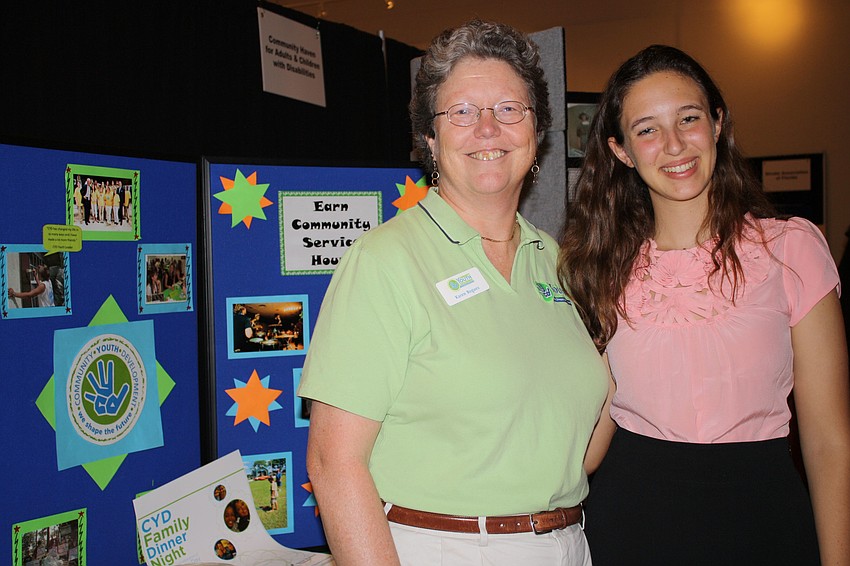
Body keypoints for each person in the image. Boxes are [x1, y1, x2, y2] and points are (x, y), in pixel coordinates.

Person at [298, 19, 608, 566]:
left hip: (567, 544)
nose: (488, 128)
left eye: (509, 109)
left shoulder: (558, 264)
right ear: (429, 139)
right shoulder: (385, 263)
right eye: (462, 112)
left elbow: (574, 452)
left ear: (537, 133)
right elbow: (332, 463)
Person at [558, 44, 850, 565]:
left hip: (764, 520)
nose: (673, 145)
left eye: (688, 118)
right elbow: (593, 427)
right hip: (630, 521)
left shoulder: (791, 250)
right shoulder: (598, 268)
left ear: (717, 125)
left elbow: (829, 440)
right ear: (622, 150)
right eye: (647, 129)